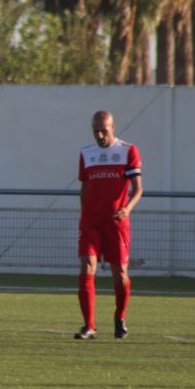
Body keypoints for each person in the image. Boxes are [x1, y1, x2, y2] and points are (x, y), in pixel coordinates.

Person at [75, 110, 143, 340]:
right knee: (86, 268)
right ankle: (89, 325)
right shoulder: (87, 153)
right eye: (95, 131)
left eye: (104, 130)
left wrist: (127, 209)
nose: (100, 135)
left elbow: (138, 189)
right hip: (91, 223)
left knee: (120, 273)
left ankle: (119, 317)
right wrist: (84, 216)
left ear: (113, 127)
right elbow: (84, 188)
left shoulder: (127, 151)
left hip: (116, 223)